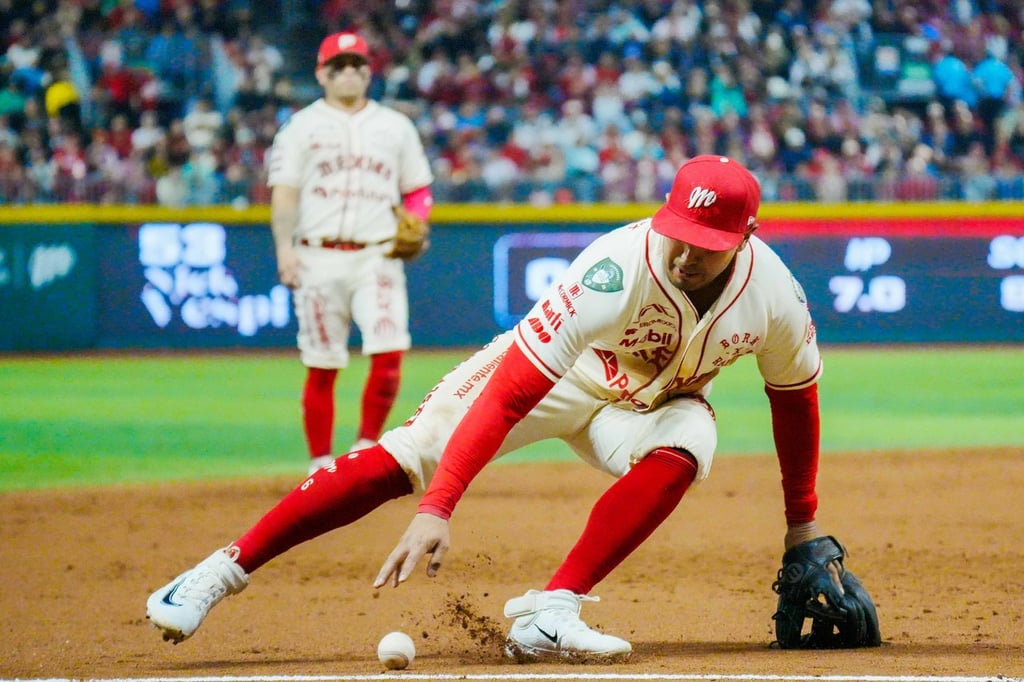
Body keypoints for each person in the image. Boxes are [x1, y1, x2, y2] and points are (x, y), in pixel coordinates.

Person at [147, 155, 870, 660]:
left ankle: (552, 613)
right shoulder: (615, 269)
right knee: (410, 454)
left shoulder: (774, 295)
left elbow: (794, 401)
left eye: (706, 247)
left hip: (642, 405)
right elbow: (514, 390)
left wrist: (802, 522)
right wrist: (438, 506)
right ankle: (217, 571)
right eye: (679, 236)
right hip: (559, 376)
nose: (685, 257)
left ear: (745, 239)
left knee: (689, 442)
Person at [266, 32, 434, 474]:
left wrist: (419, 217)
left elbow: (417, 188)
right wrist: (284, 249)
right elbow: (284, 194)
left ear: (368, 70)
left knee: (389, 350)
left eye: (356, 64)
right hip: (316, 256)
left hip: (377, 255)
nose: (348, 72)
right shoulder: (301, 127)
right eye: (337, 65)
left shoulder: (395, 126)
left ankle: (363, 449)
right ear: (321, 73)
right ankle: (320, 464)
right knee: (322, 363)